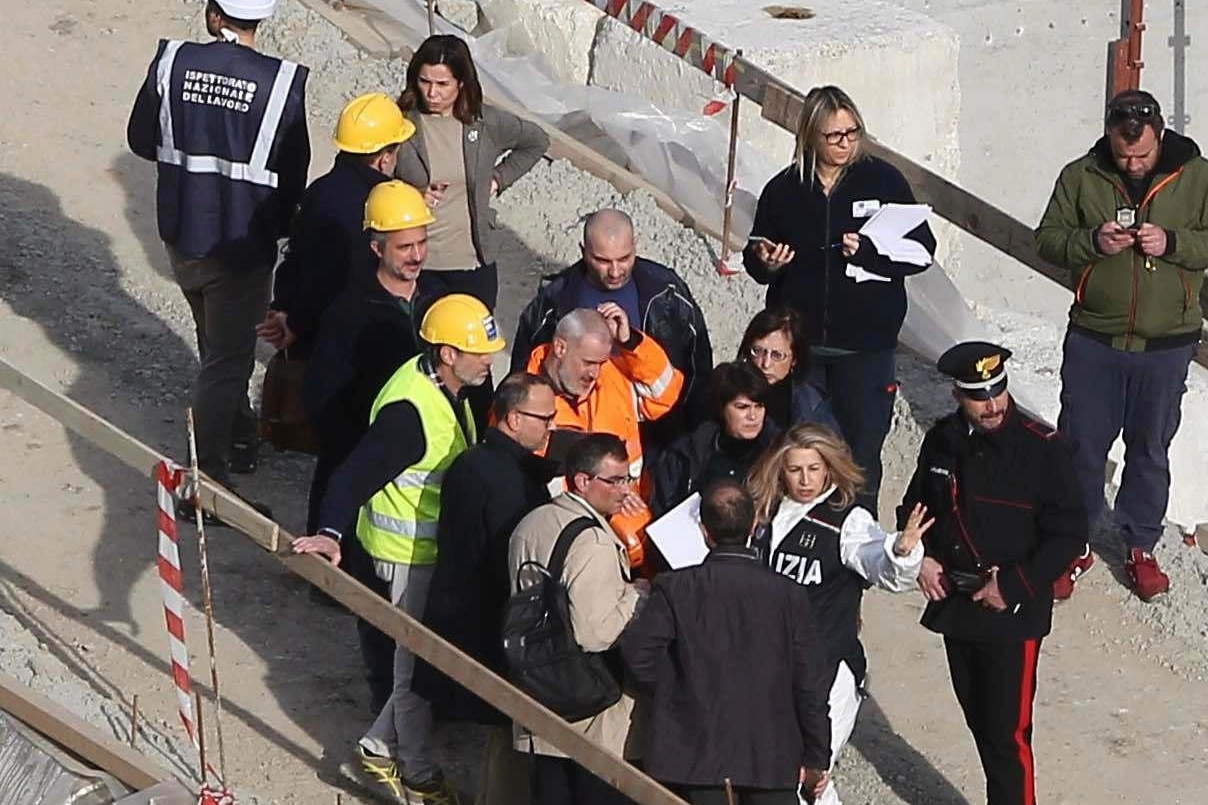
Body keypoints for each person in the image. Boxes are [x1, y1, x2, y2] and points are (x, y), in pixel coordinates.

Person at [292, 293, 505, 805]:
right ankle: (410, 765)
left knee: (423, 661)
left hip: (426, 552)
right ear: (447, 354)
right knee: (415, 667)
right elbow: (352, 476)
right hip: (407, 554)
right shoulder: (410, 414)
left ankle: (386, 745)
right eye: (480, 351)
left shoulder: (444, 386)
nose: (489, 359)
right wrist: (329, 533)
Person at [1035, 89, 1208, 602]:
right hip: (1094, 337)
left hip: (1166, 342)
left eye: (1143, 155)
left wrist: (1173, 243)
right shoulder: (1080, 175)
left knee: (1150, 447)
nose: (1132, 164)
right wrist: (1092, 242)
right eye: (1123, 154)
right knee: (1081, 446)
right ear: (1109, 136)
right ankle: (1073, 543)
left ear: (1159, 135)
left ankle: (1139, 544)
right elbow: (1047, 239)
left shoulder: (1196, 175)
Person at [127, 0, 310, 482]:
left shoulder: (172, 62)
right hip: (242, 246)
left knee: (217, 345)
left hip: (182, 232)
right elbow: (294, 174)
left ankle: (238, 430)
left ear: (214, 15)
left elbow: (141, 140)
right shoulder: (280, 84)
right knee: (228, 360)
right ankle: (206, 475)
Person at [897, 341, 1085, 805]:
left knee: (1008, 735)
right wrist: (921, 557)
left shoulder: (1041, 449)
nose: (993, 404)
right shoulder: (943, 440)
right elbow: (915, 507)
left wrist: (1013, 586)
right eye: (980, 396)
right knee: (981, 723)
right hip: (957, 605)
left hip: (1012, 613)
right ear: (959, 395)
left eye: (998, 391)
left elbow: (1068, 533)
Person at [743, 85, 934, 518]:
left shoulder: (883, 181)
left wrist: (870, 254)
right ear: (811, 137)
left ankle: (858, 532)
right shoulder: (784, 190)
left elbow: (922, 250)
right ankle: (801, 530)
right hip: (804, 352)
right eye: (835, 136)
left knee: (862, 450)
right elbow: (755, 256)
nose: (846, 143)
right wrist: (767, 262)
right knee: (801, 448)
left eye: (853, 132)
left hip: (865, 348)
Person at [747, 423, 932, 805]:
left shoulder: (847, 521)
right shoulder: (764, 514)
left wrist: (903, 552)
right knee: (788, 773)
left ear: (830, 467)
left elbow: (881, 566)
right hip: (771, 669)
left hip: (828, 673)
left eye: (813, 469)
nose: (804, 479)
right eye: (795, 469)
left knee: (807, 774)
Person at [621, 480, 832, 805]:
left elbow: (638, 658)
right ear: (754, 526)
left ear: (704, 531)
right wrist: (817, 756)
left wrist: (677, 690)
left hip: (691, 757)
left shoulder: (676, 588)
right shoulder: (788, 595)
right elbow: (810, 683)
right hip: (771, 759)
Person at [411, 372, 559, 805]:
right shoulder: (508, 482)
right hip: (489, 617)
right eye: (544, 418)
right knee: (505, 731)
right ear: (514, 419)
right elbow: (512, 555)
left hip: (456, 602)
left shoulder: (474, 462)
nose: (550, 426)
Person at [508, 433, 643, 805]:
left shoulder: (532, 522)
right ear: (582, 481)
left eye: (628, 478)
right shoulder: (595, 542)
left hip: (537, 690)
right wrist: (638, 595)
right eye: (615, 480)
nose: (625, 490)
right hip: (588, 712)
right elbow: (595, 634)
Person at [512, 208, 714, 450]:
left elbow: (697, 364)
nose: (616, 271)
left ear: (635, 246)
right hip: (585, 441)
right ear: (583, 251)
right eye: (603, 261)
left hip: (663, 433)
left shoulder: (667, 292)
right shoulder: (554, 302)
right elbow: (523, 378)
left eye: (624, 258)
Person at [299, 180, 432, 545]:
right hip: (356, 452)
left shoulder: (436, 304)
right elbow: (320, 396)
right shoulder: (349, 314)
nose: (417, 255)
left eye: (422, 242)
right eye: (405, 247)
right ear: (376, 247)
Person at [395, 34, 549, 311]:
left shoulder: (484, 122)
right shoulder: (399, 123)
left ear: (461, 83)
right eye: (425, 82)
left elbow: (536, 141)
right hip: (416, 266)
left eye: (442, 84)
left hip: (471, 266)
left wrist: (498, 179)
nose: (432, 93)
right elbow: (370, 179)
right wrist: (407, 196)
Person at [258, 92, 415, 358]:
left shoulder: (319, 190)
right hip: (345, 342)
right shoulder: (379, 205)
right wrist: (295, 323)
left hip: (304, 331)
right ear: (385, 157)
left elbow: (294, 258)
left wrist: (283, 309)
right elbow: (335, 274)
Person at [527, 307, 684, 569]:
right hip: (566, 529)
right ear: (560, 348)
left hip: (631, 516)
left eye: (600, 363)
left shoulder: (612, 377)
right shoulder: (526, 400)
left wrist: (631, 342)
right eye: (588, 362)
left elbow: (665, 393)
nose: (595, 373)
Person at [650, 362, 777, 517]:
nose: (753, 416)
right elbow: (664, 511)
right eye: (742, 407)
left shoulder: (778, 452)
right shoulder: (686, 454)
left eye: (759, 406)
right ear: (722, 408)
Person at [736, 308, 841, 436]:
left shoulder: (810, 406)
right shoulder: (728, 388)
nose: (766, 363)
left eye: (777, 355)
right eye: (758, 351)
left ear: (794, 360)